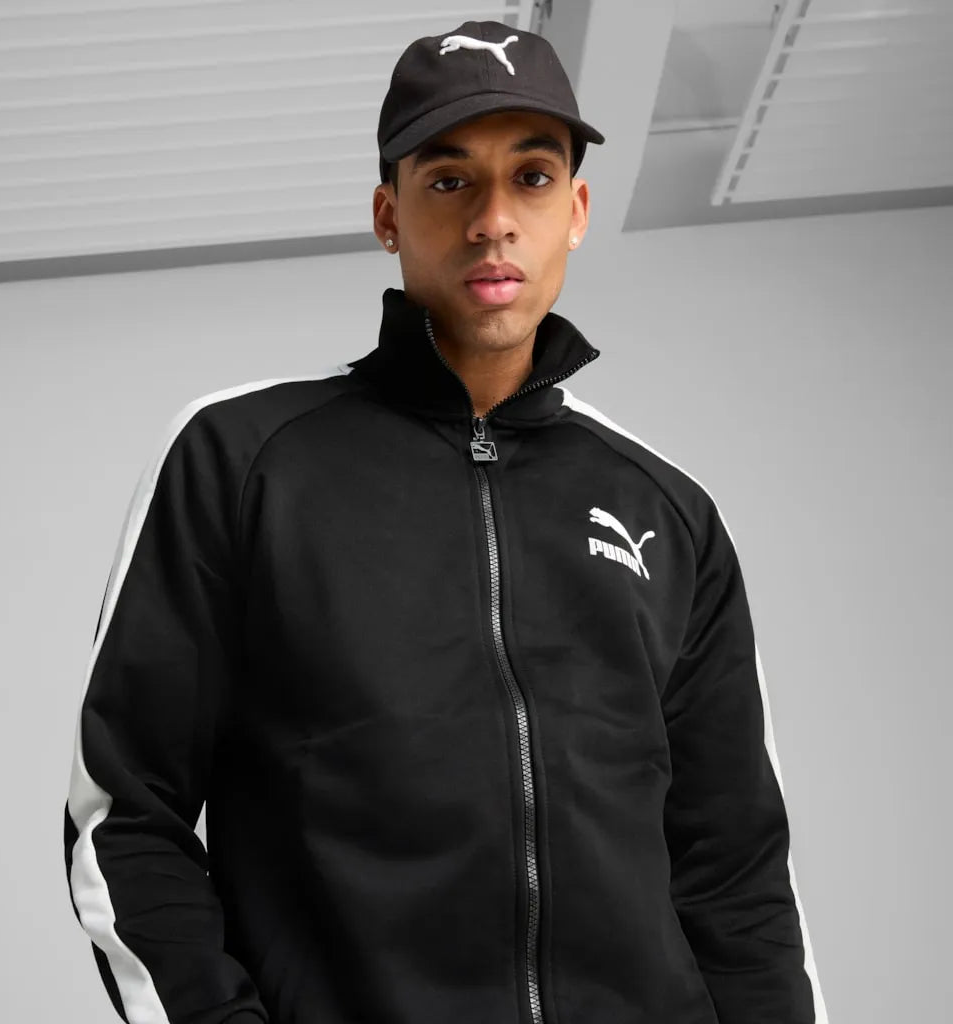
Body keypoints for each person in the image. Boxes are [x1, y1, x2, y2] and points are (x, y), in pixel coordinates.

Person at [64, 19, 827, 1024]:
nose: (493, 220)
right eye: (450, 180)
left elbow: (737, 875)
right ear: (389, 214)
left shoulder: (668, 511)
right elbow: (125, 814)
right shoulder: (241, 460)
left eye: (532, 178)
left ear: (576, 210)